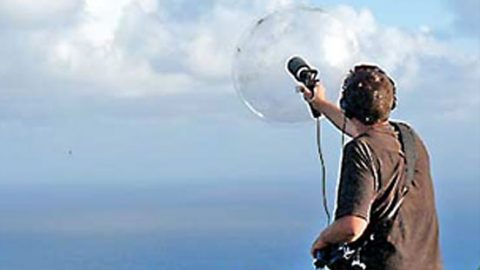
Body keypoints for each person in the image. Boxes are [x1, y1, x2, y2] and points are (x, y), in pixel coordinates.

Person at [299, 64, 442, 269]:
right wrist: (319, 103)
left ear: (347, 107)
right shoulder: (408, 137)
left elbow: (352, 226)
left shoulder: (360, 150)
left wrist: (323, 239)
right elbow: (361, 129)